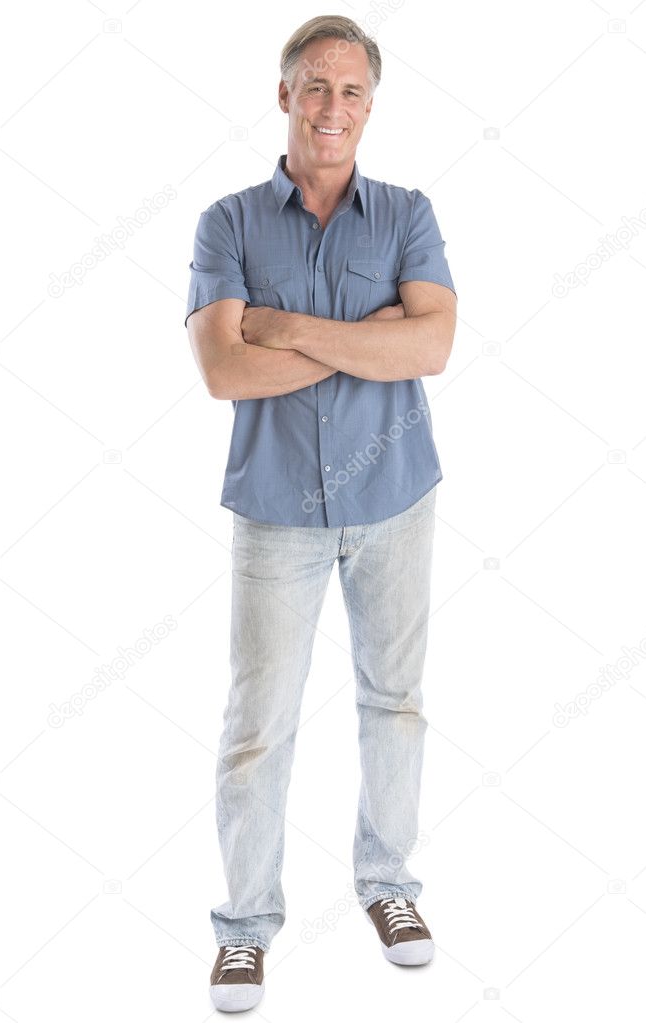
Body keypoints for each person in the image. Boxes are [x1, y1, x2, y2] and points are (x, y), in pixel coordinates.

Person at [185, 14, 457, 1012]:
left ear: (368, 105)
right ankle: (246, 928)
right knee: (258, 724)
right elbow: (222, 370)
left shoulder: (406, 214)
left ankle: (388, 887)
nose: (329, 104)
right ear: (284, 96)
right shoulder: (226, 222)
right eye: (313, 85)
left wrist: (290, 329)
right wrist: (364, 333)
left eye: (348, 89)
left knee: (395, 702)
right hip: (274, 510)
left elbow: (429, 350)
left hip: (395, 496)